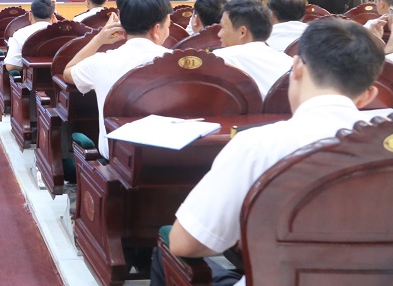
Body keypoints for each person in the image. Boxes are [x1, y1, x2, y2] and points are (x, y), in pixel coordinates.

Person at [152, 18, 385, 286]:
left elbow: (185, 243)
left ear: (296, 68)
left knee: (167, 249)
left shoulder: (258, 146)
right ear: (368, 95)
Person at [63, 0, 173, 158]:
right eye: (168, 27)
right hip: (172, 157)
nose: (168, 32)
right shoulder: (176, 62)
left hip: (118, 159)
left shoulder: (101, 62)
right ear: (156, 29)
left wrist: (99, 39)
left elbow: (68, 72)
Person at [213, 0, 292, 97]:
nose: (219, 34)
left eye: (223, 27)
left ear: (242, 32)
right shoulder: (291, 64)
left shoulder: (218, 60)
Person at [4, 0, 57, 72]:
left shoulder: (21, 34)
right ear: (53, 17)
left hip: (31, 78)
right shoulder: (62, 34)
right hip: (59, 78)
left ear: (30, 16)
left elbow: (11, 66)